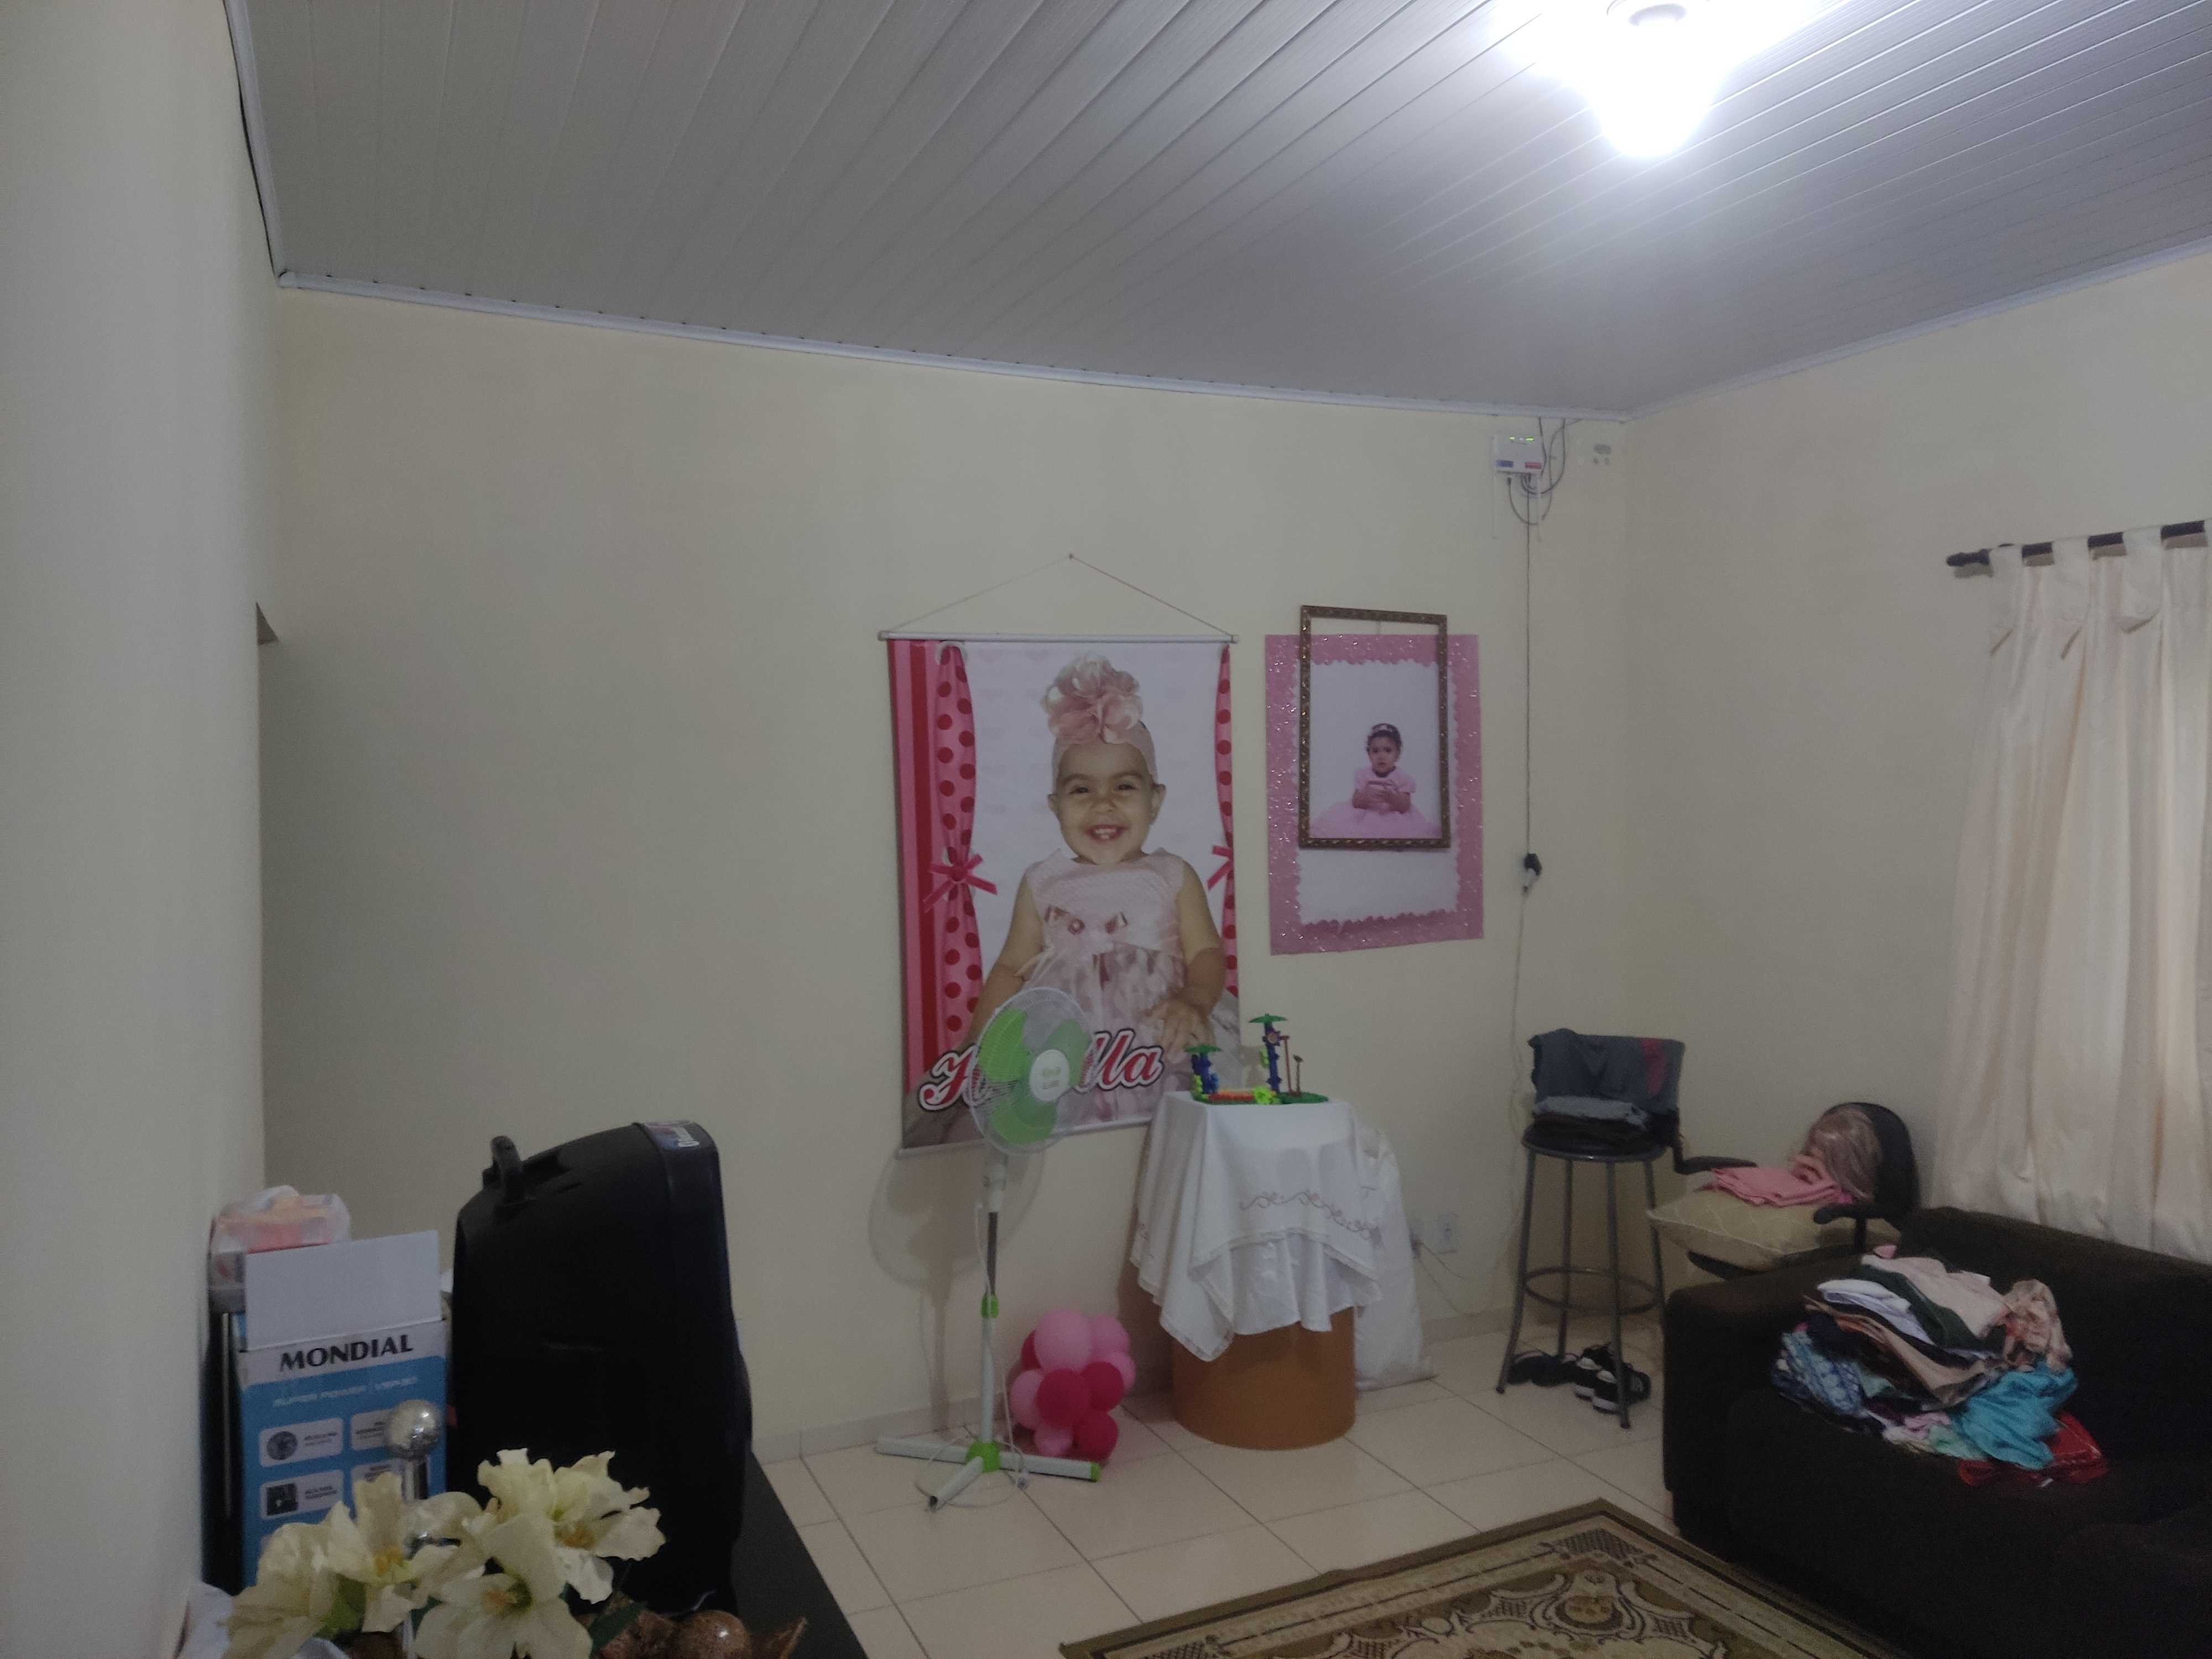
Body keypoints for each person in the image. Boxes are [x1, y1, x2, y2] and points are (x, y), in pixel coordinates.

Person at [974, 655, 1232, 1119]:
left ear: (1155, 800)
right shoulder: (1042, 881)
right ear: (1055, 806)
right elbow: (1011, 968)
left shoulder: (1171, 875)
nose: (1104, 804)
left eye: (1124, 787)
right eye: (1081, 790)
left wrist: (1194, 1000)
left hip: (1157, 1047)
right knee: (1066, 1137)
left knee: (1169, 1132)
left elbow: (1206, 953)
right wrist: (979, 1047)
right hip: (1063, 1050)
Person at [1310, 722, 1443, 839]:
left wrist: (1394, 798)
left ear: (1397, 755)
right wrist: (1365, 797)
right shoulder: (1364, 775)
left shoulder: (1402, 778)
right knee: (1342, 828)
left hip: (1394, 818)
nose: (1381, 756)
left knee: (1408, 833)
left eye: (1388, 751)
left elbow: (1405, 807)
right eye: (1375, 751)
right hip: (1366, 816)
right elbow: (1356, 802)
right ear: (1369, 754)